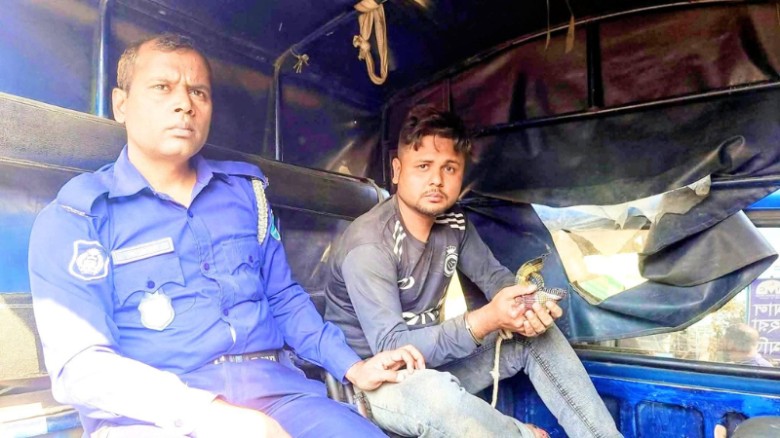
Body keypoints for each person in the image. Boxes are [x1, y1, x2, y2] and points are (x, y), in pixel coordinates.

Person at [27, 33, 424, 438]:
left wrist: (352, 366)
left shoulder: (246, 194)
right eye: (162, 87)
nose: (185, 104)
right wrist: (209, 415)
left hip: (278, 395)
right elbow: (82, 367)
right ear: (121, 104)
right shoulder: (78, 217)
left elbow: (283, 299)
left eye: (198, 91)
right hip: (156, 415)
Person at [324, 105, 622, 438]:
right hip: (376, 383)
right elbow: (392, 347)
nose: (436, 180)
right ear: (396, 170)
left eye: (449, 168)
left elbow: (494, 278)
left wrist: (526, 305)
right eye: (423, 166)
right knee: (437, 394)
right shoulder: (369, 245)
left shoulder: (455, 223)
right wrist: (485, 320)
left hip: (432, 363)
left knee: (535, 333)